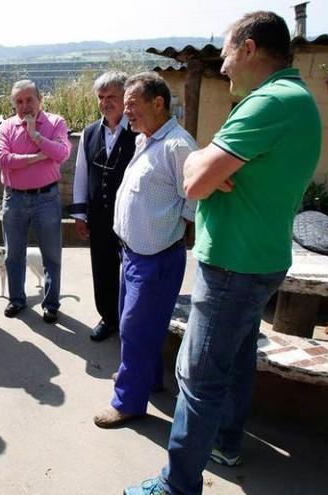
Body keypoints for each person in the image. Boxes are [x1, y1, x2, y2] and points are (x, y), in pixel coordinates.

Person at [124, 12, 321, 495]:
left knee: (198, 375)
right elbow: (203, 172)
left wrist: (203, 167)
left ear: (250, 49)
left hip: (235, 263)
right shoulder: (292, 100)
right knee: (234, 360)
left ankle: (177, 484)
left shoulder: (270, 103)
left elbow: (193, 180)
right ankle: (227, 442)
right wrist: (206, 166)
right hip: (259, 256)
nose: (224, 65)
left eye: (228, 52)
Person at [91, 72, 196, 429]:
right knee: (138, 325)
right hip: (133, 254)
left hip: (156, 258)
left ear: (158, 103)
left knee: (136, 329)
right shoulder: (146, 140)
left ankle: (128, 402)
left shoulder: (177, 146)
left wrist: (167, 233)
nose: (128, 112)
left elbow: (193, 204)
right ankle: (148, 381)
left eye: (133, 105)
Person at [0, 80, 71, 323]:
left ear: (40, 99)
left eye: (29, 99)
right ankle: (17, 299)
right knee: (14, 255)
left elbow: (62, 153)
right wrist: (38, 157)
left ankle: (50, 304)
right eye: (19, 101)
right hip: (14, 199)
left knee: (52, 255)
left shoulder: (55, 123)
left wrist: (35, 135)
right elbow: (2, 159)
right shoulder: (6, 126)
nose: (25, 105)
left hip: (46, 199)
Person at [69, 71, 137, 341]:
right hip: (99, 216)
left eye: (112, 96)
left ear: (124, 98)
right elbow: (81, 174)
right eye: (101, 97)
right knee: (103, 267)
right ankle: (108, 317)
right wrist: (79, 214)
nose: (105, 102)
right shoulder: (89, 132)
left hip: (132, 217)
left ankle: (130, 321)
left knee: (132, 270)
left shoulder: (138, 130)